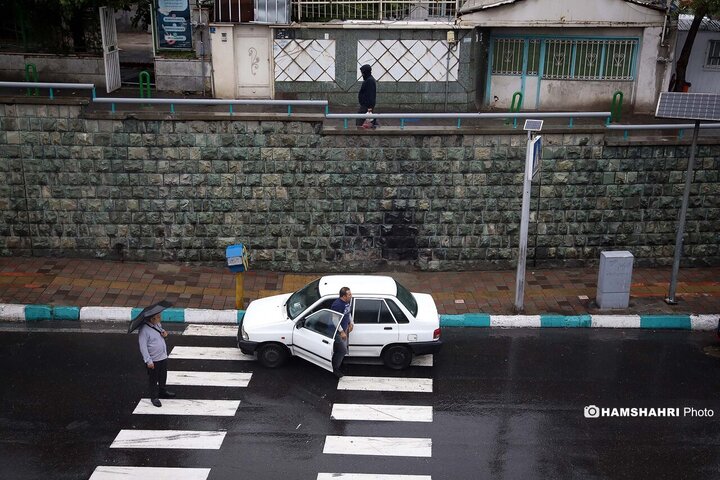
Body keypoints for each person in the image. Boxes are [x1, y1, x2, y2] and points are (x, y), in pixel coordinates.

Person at [138, 313, 176, 407]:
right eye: (158, 317)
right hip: (153, 360)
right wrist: (148, 360)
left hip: (163, 356)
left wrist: (165, 335)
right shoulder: (144, 331)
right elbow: (143, 347)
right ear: (152, 319)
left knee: (163, 376)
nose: (160, 318)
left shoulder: (158, 325)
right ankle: (154, 397)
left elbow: (161, 335)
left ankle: (162, 391)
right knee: (153, 379)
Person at [330, 287, 354, 378]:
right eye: (349, 294)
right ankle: (335, 368)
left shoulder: (346, 302)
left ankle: (339, 362)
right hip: (337, 332)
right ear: (344, 296)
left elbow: (348, 313)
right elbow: (334, 320)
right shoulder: (337, 305)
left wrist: (351, 323)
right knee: (342, 350)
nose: (351, 296)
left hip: (344, 329)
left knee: (341, 350)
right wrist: (341, 331)